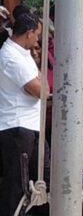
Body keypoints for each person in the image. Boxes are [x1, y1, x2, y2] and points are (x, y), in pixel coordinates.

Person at [0, 13, 44, 215]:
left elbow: (40, 86)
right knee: (17, 184)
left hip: (31, 124)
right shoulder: (10, 56)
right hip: (17, 125)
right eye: (37, 35)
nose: (38, 40)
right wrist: (38, 84)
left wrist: (39, 83)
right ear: (28, 33)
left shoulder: (23, 53)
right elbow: (40, 90)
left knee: (43, 178)